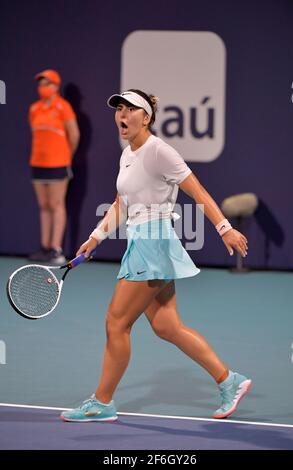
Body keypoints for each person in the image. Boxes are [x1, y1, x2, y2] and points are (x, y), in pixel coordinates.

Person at [61, 89, 252, 422]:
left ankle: (103, 402)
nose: (122, 115)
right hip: (142, 240)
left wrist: (225, 228)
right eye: (118, 109)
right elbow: (122, 203)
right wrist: (95, 237)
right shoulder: (128, 155)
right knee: (167, 326)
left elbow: (198, 191)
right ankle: (229, 380)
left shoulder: (159, 151)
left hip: (153, 242)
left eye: (130, 109)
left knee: (116, 323)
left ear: (146, 117)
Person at [29, 69, 80, 264]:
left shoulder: (63, 107)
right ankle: (45, 247)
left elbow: (74, 135)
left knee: (56, 204)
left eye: (47, 83)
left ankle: (56, 250)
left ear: (56, 86)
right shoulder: (34, 108)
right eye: (40, 83)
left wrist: (66, 156)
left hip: (59, 163)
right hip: (37, 163)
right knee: (44, 205)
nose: (42, 87)